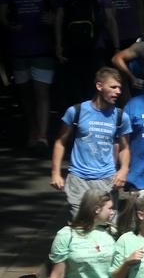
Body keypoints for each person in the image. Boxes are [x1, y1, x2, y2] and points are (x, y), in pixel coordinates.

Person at [50, 66, 130, 214]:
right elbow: (60, 142)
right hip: (78, 178)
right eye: (113, 87)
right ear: (99, 86)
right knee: (80, 228)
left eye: (120, 88)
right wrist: (55, 173)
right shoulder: (76, 111)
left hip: (106, 179)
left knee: (106, 229)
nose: (118, 92)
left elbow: (125, 148)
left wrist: (124, 170)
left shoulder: (121, 116)